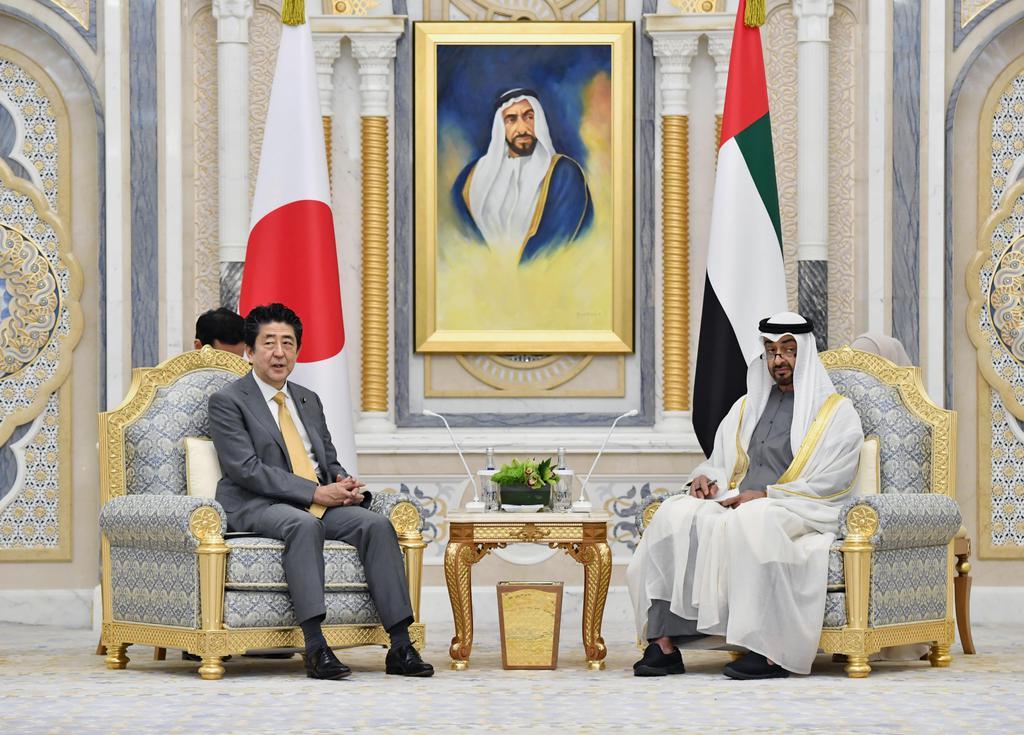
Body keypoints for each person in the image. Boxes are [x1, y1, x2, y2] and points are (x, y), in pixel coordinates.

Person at [627, 311, 864, 679]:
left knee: (756, 518)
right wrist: (706, 479)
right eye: (771, 351)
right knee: (673, 513)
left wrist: (766, 494)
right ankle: (663, 643)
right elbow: (721, 462)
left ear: (804, 352)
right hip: (737, 500)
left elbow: (833, 479)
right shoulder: (746, 407)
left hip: (797, 507)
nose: (779, 359)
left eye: (788, 350)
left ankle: (768, 650)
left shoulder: (836, 413)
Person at [208, 303, 433, 680]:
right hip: (257, 502)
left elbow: (327, 459)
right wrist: (315, 493)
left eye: (288, 343)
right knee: (303, 525)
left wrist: (344, 485)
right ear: (249, 351)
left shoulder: (307, 398)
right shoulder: (228, 401)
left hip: (315, 499)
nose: (279, 352)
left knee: (376, 525)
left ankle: (400, 645)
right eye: (269, 343)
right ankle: (315, 647)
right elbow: (245, 469)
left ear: (297, 351)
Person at [451, 88, 594, 265]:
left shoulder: (564, 173)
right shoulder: (470, 179)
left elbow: (558, 242)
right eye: (511, 120)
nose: (522, 128)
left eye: (529, 117)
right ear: (500, 127)